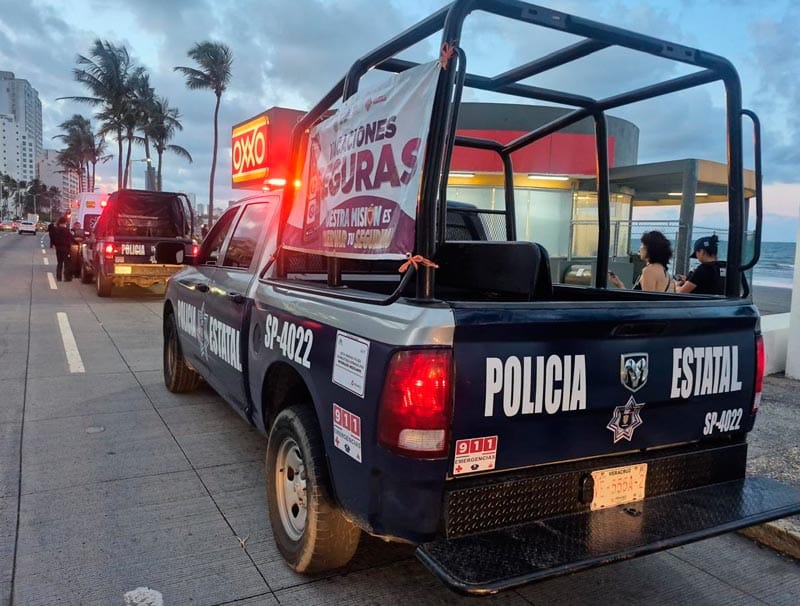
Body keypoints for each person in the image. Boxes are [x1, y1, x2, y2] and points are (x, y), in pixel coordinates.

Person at [609, 230, 675, 292]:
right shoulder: (666, 273)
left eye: (642, 244)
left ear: (650, 249)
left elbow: (645, 299)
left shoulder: (649, 271)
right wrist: (620, 285)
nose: (640, 248)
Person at [51, 217, 74, 281]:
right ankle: (67, 277)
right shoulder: (67, 230)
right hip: (66, 248)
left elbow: (53, 238)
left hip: (58, 248)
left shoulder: (55, 230)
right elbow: (71, 238)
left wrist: (54, 244)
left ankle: (59, 277)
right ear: (65, 223)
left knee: (59, 263)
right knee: (67, 263)